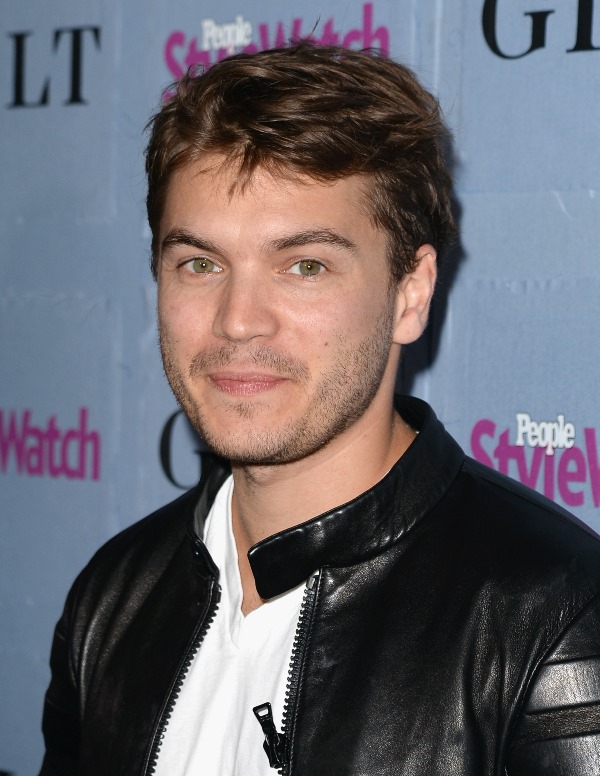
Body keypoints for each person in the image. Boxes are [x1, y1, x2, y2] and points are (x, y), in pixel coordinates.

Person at [40, 42, 600, 776]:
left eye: (305, 266)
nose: (239, 320)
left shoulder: (553, 616)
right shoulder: (112, 599)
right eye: (200, 264)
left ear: (410, 293)